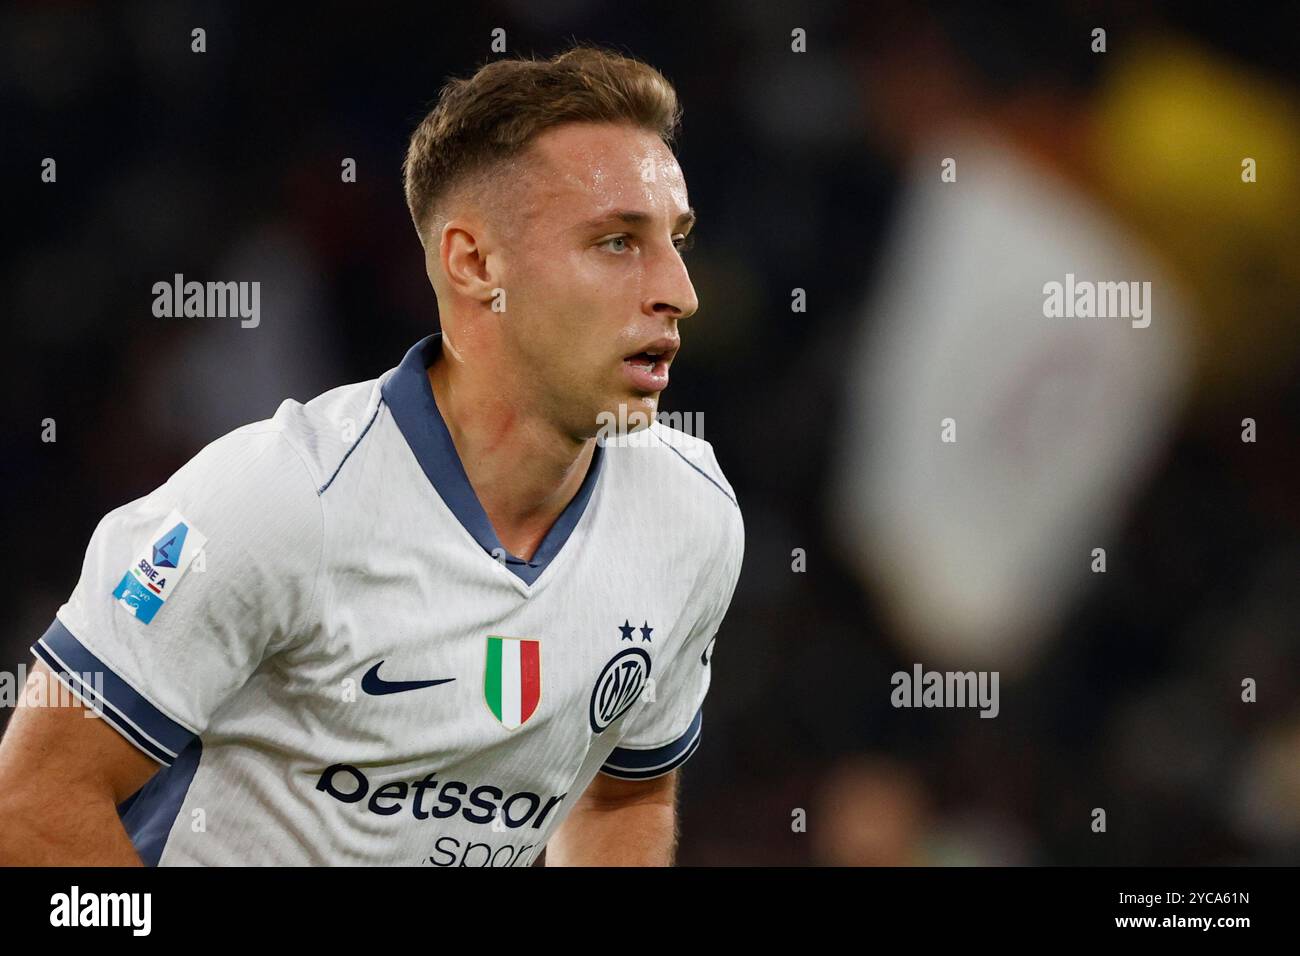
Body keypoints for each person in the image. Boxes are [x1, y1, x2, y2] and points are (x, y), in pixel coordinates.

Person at [0, 46, 744, 867]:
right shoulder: (280, 497)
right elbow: (34, 802)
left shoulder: (691, 516)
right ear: (475, 264)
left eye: (676, 239)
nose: (680, 288)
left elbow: (626, 792)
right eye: (615, 242)